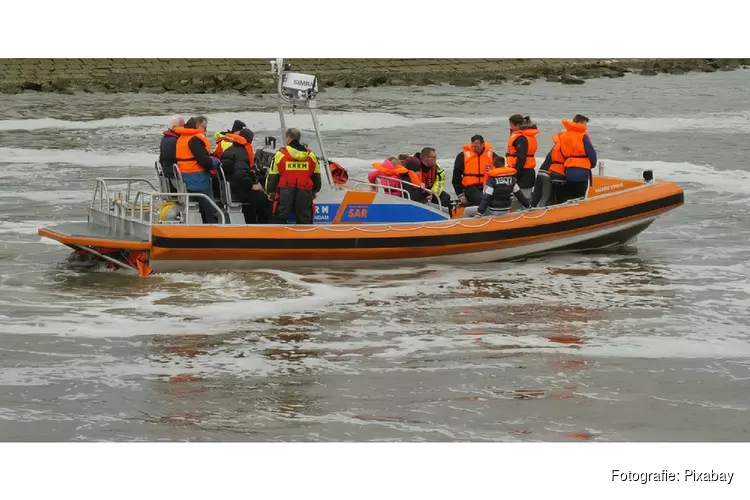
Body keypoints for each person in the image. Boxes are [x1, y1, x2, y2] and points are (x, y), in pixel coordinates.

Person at [265, 128, 322, 224]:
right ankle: (304, 237)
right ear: (299, 139)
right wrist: (315, 190)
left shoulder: (280, 155)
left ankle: (280, 237)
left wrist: (270, 192)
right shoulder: (311, 155)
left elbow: (272, 176)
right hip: (305, 190)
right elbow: (316, 175)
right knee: (304, 217)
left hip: (285, 191)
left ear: (288, 139)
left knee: (281, 216)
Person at [174, 116, 221, 223]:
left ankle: (198, 224)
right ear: (198, 126)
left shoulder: (182, 138)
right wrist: (216, 162)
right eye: (204, 127)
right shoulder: (195, 139)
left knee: (199, 204)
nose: (205, 130)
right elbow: (204, 161)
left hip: (185, 176)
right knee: (209, 206)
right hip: (197, 177)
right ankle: (212, 225)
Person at [219, 128, 271, 224]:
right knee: (264, 199)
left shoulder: (229, 150)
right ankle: (263, 226)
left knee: (253, 200)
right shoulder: (242, 153)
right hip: (238, 190)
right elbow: (240, 175)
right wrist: (252, 185)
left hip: (230, 187)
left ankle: (250, 221)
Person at [464, 156, 530, 218]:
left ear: (494, 166)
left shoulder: (492, 179)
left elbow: (487, 197)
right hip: (506, 210)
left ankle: (467, 229)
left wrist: (479, 212)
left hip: (493, 210)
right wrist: (528, 206)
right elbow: (519, 194)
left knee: (467, 210)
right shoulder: (511, 179)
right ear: (503, 165)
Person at [452, 134, 501, 207]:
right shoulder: (462, 156)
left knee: (498, 199)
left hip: (488, 186)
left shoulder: (492, 155)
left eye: (476, 146)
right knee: (483, 200)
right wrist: (460, 195)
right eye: (473, 146)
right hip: (471, 188)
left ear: (482, 144)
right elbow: (456, 177)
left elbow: (500, 170)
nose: (474, 148)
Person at [558, 114, 597, 202]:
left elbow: (562, 152)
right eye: (585, 124)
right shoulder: (583, 135)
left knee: (570, 198)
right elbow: (591, 152)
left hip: (569, 170)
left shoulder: (564, 135)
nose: (586, 127)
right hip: (582, 170)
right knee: (580, 199)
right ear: (580, 123)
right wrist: (592, 164)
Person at [506, 114, 540, 198]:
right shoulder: (526, 136)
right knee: (523, 197)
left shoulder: (521, 138)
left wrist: (515, 172)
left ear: (517, 125)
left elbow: (521, 158)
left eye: (511, 125)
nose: (510, 128)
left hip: (523, 172)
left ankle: (524, 210)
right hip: (526, 171)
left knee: (522, 197)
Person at [532, 134, 567, 207]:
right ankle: (540, 215)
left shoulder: (555, 147)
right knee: (545, 198)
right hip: (547, 175)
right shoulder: (563, 148)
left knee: (536, 197)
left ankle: (528, 211)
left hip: (540, 172)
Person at [158, 115, 184, 193]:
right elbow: (174, 158)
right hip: (173, 174)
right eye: (183, 126)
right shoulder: (172, 141)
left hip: (168, 172)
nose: (185, 128)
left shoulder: (167, 138)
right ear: (175, 127)